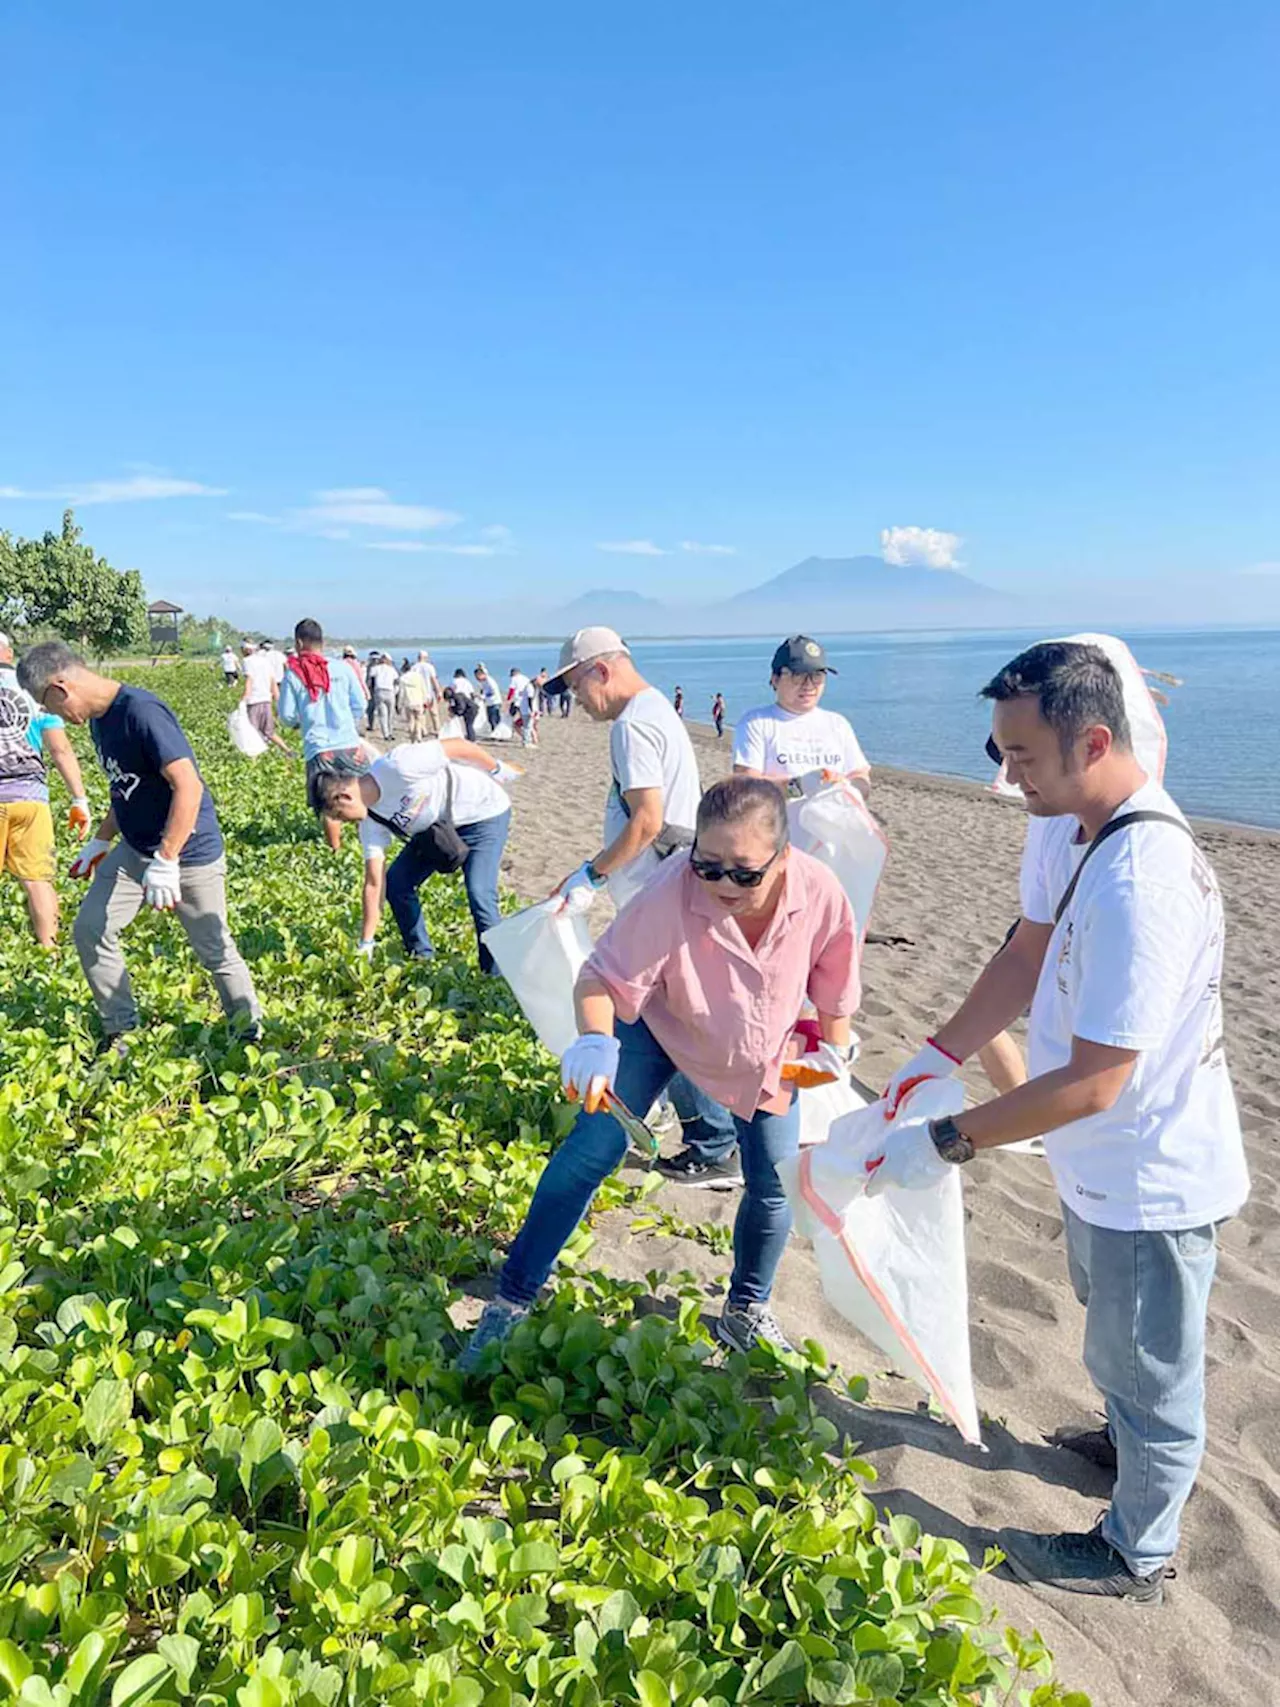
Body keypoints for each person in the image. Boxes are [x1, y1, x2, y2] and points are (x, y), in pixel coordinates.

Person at [876, 641, 1248, 1605]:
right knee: (1118, 1341)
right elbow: (1025, 956)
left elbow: (1093, 1084)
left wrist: (950, 1140)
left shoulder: (1143, 878)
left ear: (1092, 738)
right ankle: (1124, 1443)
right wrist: (937, 1050)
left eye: (1021, 757)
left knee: (1153, 1364)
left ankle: (1138, 1551)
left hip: (1149, 1173)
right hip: (1104, 1171)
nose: (1005, 777)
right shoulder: (1095, 833)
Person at [459, 776, 861, 1370]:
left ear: (784, 856)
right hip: (659, 1027)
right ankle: (513, 1297)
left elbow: (835, 977)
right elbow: (600, 976)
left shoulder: (820, 892)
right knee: (588, 1154)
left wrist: (836, 1049)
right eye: (709, 864)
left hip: (761, 1048)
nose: (723, 883)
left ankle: (746, 1309)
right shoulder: (672, 891)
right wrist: (596, 1041)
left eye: (744, 872)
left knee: (772, 1182)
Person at [543, 627, 741, 1190]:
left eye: (575, 686)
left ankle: (713, 1142)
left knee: (659, 1018)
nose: (576, 701)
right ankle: (702, 1131)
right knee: (663, 1014)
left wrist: (592, 873)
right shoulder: (657, 711)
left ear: (601, 670)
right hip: (670, 890)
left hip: (660, 895)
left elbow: (647, 820)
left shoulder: (632, 725)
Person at [17, 642, 262, 1048]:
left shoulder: (140, 711)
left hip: (189, 852)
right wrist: (100, 840)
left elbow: (188, 786)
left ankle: (249, 1033)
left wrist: (167, 859)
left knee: (214, 949)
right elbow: (124, 788)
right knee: (91, 927)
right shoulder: (98, 720)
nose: (58, 716)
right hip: (134, 850)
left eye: (51, 706)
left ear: (61, 688)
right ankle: (121, 1029)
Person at [310, 739, 520, 972]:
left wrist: (497, 768)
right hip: (439, 831)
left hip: (483, 812)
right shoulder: (370, 822)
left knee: (479, 892)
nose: (341, 822)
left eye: (338, 815)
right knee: (398, 883)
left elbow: (457, 746)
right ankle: (421, 956)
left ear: (344, 797)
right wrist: (366, 942)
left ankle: (493, 976)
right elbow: (374, 882)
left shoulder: (398, 767)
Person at [1, 630, 92, 945]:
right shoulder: (33, 691)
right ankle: (49, 951)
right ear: (10, 655)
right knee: (38, 880)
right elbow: (60, 750)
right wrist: (79, 798)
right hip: (32, 798)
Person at [733, 636, 871, 797]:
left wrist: (846, 787)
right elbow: (746, 786)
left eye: (817, 676)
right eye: (798, 675)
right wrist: (798, 786)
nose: (809, 685)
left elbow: (860, 777)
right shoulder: (756, 723)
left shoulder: (838, 724)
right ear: (775, 679)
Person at [277, 619, 370, 854]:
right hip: (350, 745)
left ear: (299, 642)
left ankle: (335, 852)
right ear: (323, 641)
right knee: (361, 797)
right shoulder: (342, 668)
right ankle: (368, 847)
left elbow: (287, 716)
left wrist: (304, 722)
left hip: (320, 749)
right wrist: (346, 722)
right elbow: (359, 704)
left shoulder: (294, 674)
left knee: (330, 804)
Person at [239, 641, 293, 757]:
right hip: (266, 700)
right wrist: (279, 702)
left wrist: (244, 698)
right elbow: (272, 682)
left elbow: (250, 680)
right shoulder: (265, 661)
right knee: (269, 731)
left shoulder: (247, 661)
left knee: (252, 732)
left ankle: (254, 759)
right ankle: (288, 750)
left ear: (245, 649)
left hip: (254, 700)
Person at [369, 653, 398, 741]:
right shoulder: (392, 669)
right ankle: (390, 732)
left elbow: (371, 678)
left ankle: (386, 734)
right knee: (390, 714)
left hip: (379, 691)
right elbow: (396, 681)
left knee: (382, 714)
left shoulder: (375, 668)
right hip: (389, 691)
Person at [413, 651, 443, 736]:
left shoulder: (414, 667)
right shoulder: (430, 667)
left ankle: (423, 730)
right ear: (426, 658)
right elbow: (434, 680)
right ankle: (437, 729)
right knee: (434, 713)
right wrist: (439, 692)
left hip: (419, 693)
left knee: (421, 713)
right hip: (429, 692)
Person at [398, 659, 428, 741]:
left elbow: (401, 693)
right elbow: (423, 689)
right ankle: (419, 736)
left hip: (408, 702)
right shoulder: (418, 676)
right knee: (418, 720)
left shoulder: (403, 678)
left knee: (411, 721)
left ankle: (412, 737)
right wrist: (425, 700)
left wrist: (399, 704)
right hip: (418, 701)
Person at [448, 669, 479, 740]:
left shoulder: (453, 681)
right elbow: (472, 694)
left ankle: (469, 737)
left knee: (462, 722)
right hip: (467, 702)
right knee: (468, 723)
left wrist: (451, 708)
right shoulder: (467, 682)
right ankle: (468, 736)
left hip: (459, 702)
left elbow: (450, 694)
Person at [475, 664, 503, 732]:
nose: (477, 679)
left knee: (494, 719)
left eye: (478, 676)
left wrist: (483, 696)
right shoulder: (483, 682)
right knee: (490, 720)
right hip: (489, 703)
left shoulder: (489, 681)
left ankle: (497, 733)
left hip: (495, 702)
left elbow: (492, 692)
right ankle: (495, 732)